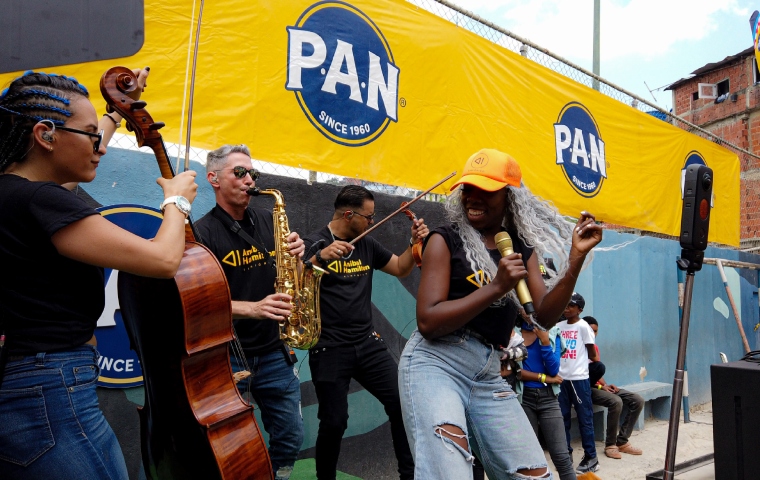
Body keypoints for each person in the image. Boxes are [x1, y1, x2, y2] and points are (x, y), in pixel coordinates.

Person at [0, 69, 197, 480]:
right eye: (91, 136)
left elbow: (75, 160)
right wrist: (176, 200)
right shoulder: (41, 200)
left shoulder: (13, 193)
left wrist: (111, 115)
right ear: (45, 135)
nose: (100, 148)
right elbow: (162, 259)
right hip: (52, 389)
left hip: (24, 382)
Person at [399, 148, 602, 480]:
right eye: (469, 188)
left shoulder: (520, 247)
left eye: (487, 191)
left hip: (489, 371)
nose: (473, 198)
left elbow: (542, 317)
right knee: (450, 474)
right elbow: (429, 320)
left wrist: (575, 260)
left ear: (510, 197)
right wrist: (496, 286)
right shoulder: (444, 239)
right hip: (436, 363)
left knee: (533, 475)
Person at [195, 144, 305, 480]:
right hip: (226, 355)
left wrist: (298, 258)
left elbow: (291, 277)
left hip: (273, 350)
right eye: (239, 172)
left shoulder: (270, 222)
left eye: (252, 174)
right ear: (213, 178)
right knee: (227, 447)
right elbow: (194, 304)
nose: (248, 180)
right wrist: (251, 308)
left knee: (290, 437)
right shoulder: (201, 233)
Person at [302, 185, 426, 480]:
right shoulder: (313, 242)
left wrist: (413, 244)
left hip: (367, 343)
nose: (372, 222)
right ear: (348, 214)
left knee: (401, 404)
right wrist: (320, 259)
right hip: (329, 347)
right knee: (334, 422)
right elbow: (293, 278)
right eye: (368, 217)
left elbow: (399, 267)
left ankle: (408, 475)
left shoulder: (367, 244)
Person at [517, 315, 576, 480]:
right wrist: (544, 378)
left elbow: (553, 370)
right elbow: (515, 372)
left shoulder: (553, 333)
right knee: (529, 458)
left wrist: (544, 342)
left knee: (561, 457)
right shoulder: (513, 333)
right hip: (523, 399)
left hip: (549, 398)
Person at [583, 316, 644, 460]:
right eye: (590, 330)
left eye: (595, 331)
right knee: (616, 401)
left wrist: (605, 385)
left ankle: (622, 441)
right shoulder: (575, 348)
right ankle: (610, 445)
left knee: (637, 400)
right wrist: (600, 386)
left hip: (597, 386)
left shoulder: (594, 347)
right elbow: (583, 377)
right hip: (583, 388)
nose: (593, 334)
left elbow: (596, 371)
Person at [557, 293, 600, 474]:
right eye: (565, 304)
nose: (567, 308)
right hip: (561, 379)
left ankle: (591, 457)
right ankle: (566, 453)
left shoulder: (583, 327)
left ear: (580, 309)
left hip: (579, 379)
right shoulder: (558, 326)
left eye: (571, 305)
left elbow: (592, 354)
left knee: (585, 419)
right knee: (562, 418)